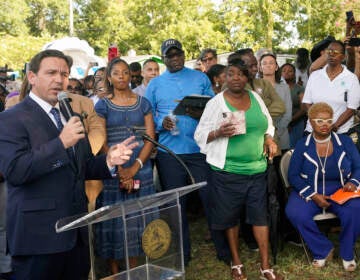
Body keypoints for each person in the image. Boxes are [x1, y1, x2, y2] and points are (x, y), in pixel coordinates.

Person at [0, 49, 138, 280]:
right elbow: (15, 171)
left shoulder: (69, 113)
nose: (59, 79)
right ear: (32, 77)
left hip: (76, 234)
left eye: (64, 74)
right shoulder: (11, 119)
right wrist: (61, 143)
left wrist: (108, 161)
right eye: (51, 72)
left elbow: (80, 167)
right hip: (38, 239)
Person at [194, 58, 283, 280]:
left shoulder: (256, 98)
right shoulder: (216, 103)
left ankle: (265, 266)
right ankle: (237, 262)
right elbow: (199, 135)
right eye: (231, 73)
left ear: (247, 78)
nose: (236, 78)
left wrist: (269, 138)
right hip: (228, 172)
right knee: (230, 218)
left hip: (257, 170)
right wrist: (218, 133)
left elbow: (268, 124)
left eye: (241, 74)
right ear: (224, 76)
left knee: (260, 217)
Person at [145, 38, 214, 265]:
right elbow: (147, 115)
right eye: (169, 56)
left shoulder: (200, 77)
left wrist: (200, 112)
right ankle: (182, 253)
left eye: (178, 55)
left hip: (199, 149)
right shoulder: (154, 84)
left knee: (209, 198)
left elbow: (213, 107)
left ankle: (221, 246)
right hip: (169, 152)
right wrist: (159, 122)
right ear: (163, 59)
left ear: (184, 55)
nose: (175, 59)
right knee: (175, 203)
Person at [94, 58, 156, 274]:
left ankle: (136, 271)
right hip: (113, 170)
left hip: (142, 168)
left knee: (139, 219)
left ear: (131, 76)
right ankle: (114, 272)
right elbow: (101, 140)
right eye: (116, 73)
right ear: (109, 77)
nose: (121, 76)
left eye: (125, 72)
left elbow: (150, 137)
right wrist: (120, 170)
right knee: (114, 221)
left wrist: (135, 167)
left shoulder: (144, 102)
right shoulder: (102, 105)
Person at [286, 102, 360, 272]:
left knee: (356, 209)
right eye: (319, 121)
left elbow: (358, 166)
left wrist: (353, 182)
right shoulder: (302, 144)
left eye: (328, 121)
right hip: (309, 187)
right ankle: (323, 249)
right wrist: (312, 194)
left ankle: (348, 253)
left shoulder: (345, 141)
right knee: (295, 212)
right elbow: (293, 175)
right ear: (311, 122)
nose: (325, 125)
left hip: (341, 188)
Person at [303, 40, 360, 135]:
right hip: (313, 130)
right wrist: (317, 123)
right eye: (329, 52)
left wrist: (335, 126)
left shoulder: (351, 78)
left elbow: (351, 109)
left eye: (336, 52)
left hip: (340, 132)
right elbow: (307, 102)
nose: (331, 55)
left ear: (343, 57)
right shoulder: (315, 75)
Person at [259, 53, 292, 152]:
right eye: (264, 63)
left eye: (271, 63)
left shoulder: (284, 87)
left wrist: (276, 130)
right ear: (260, 68)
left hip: (281, 134)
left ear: (276, 67)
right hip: (259, 134)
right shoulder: (255, 87)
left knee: (280, 165)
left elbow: (288, 113)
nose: (268, 65)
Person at [280, 63, 306, 148]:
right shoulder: (276, 88)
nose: (286, 72)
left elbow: (303, 109)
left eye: (290, 71)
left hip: (296, 123)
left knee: (293, 149)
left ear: (294, 74)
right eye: (284, 71)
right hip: (279, 123)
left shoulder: (299, 88)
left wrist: (289, 121)